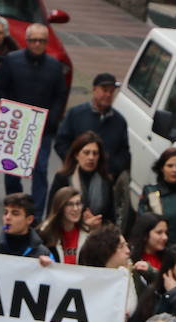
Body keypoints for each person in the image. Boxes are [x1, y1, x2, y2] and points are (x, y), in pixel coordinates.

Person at [0, 23, 66, 209]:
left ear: (46, 42)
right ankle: (15, 204)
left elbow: (60, 95)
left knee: (41, 170)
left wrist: (53, 118)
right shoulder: (11, 60)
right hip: (16, 126)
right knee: (11, 170)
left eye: (41, 41)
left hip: (43, 128)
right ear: (26, 41)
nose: (37, 44)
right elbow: (0, 89)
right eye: (33, 40)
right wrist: (9, 114)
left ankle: (37, 212)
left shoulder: (55, 67)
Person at [54, 72, 129, 223]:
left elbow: (124, 154)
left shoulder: (119, 122)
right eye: (104, 90)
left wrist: (110, 169)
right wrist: (75, 163)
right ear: (94, 90)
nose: (107, 95)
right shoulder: (76, 114)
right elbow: (61, 142)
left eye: (111, 91)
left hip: (102, 179)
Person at [48, 132, 115, 228]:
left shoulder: (106, 181)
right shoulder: (63, 178)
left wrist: (99, 224)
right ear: (76, 155)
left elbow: (111, 218)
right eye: (86, 152)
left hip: (97, 236)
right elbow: (52, 214)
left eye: (95, 153)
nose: (91, 157)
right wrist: (82, 224)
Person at [139, 146, 176, 246]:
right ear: (162, 168)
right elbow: (142, 228)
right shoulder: (150, 193)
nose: (174, 170)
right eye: (170, 165)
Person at [0, 193, 53, 260]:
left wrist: (48, 268)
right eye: (5, 212)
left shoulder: (44, 254)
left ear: (29, 219)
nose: (8, 217)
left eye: (15, 213)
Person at [36, 187, 87, 264]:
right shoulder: (43, 234)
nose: (75, 208)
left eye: (78, 203)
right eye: (70, 204)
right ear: (60, 207)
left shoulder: (88, 235)